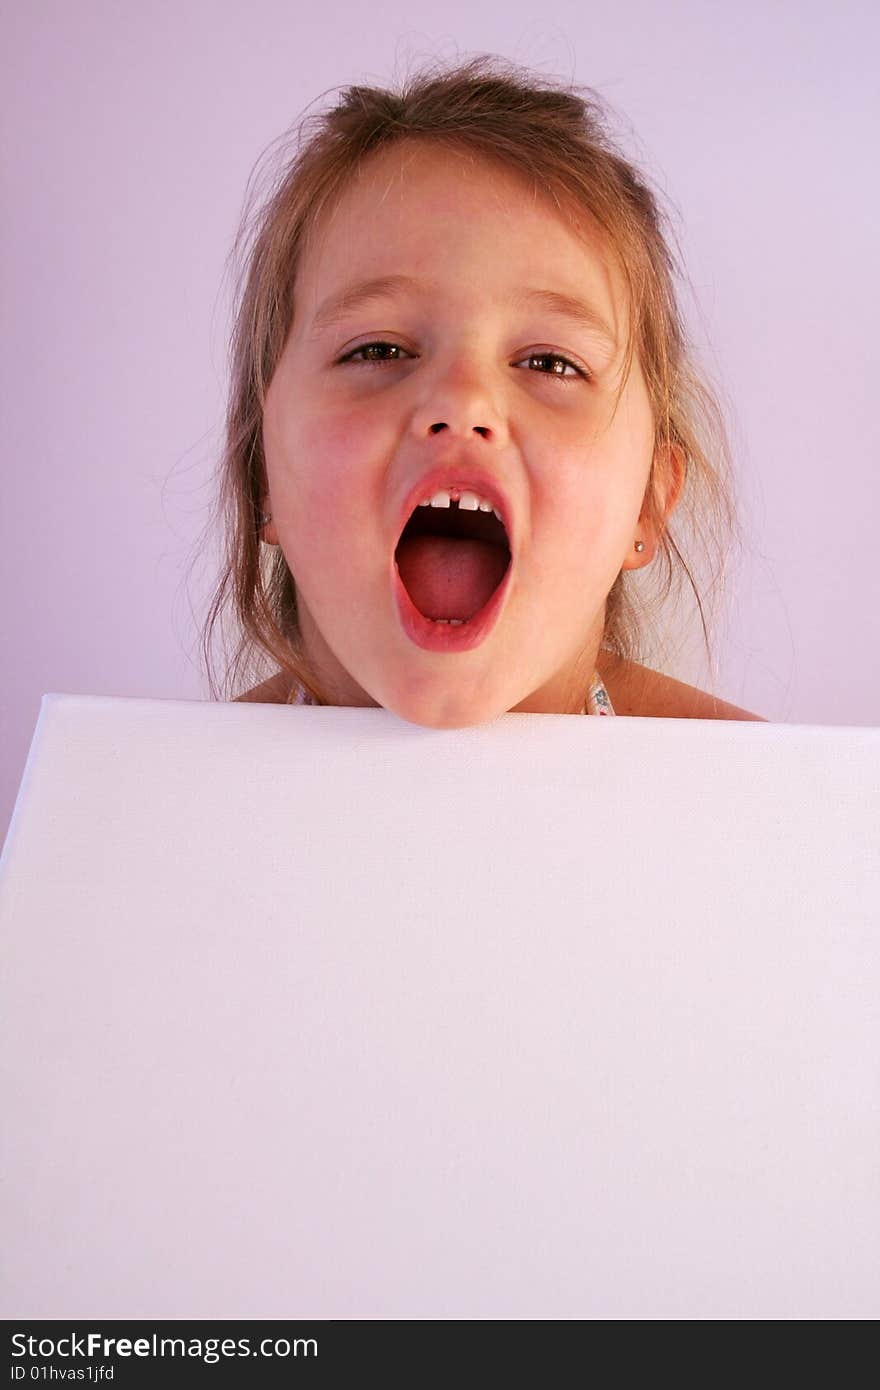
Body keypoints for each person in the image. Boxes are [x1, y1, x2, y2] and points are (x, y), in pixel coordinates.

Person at [199, 54, 766, 727]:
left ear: (647, 500)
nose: (461, 403)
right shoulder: (133, 820)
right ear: (264, 472)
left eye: (551, 364)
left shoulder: (775, 815)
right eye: (378, 350)